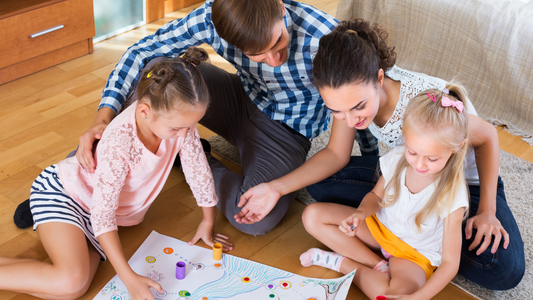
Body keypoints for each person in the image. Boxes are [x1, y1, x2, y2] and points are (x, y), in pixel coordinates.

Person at [239, 19, 524, 290]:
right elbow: (336, 155)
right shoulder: (350, 95)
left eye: (358, 107)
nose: (349, 120)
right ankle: (389, 251)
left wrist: (487, 210)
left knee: (502, 269)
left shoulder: (426, 105)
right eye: (337, 111)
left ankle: (417, 247)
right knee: (319, 182)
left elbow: (487, 136)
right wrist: (276, 188)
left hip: (461, 184)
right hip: (407, 173)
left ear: (378, 79)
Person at [69, 0, 338, 236]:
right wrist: (103, 117)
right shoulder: (214, 16)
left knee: (255, 220)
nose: (274, 60)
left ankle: (185, 158)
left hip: (287, 130)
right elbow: (140, 53)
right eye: (256, 54)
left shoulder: (325, 36)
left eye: (278, 42)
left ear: (280, 7)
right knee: (154, 73)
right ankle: (79, 172)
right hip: (237, 97)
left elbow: (370, 99)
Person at [2, 48, 232, 300]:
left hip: (97, 211)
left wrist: (207, 221)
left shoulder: (180, 126)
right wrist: (128, 277)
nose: (185, 134)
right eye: (177, 128)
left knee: (74, 287)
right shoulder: (120, 141)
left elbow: (197, 169)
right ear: (144, 111)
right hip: (66, 194)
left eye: (190, 126)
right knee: (70, 283)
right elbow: (102, 213)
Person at [301, 86, 470, 299]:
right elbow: (376, 196)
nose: (419, 164)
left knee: (394, 295)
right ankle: (378, 265)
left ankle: (343, 264)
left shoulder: (453, 194)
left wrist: (418, 298)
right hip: (378, 230)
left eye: (432, 159)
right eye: (412, 151)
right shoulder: (398, 158)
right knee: (312, 216)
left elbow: (449, 263)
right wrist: (360, 213)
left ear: (457, 147)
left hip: (413, 256)